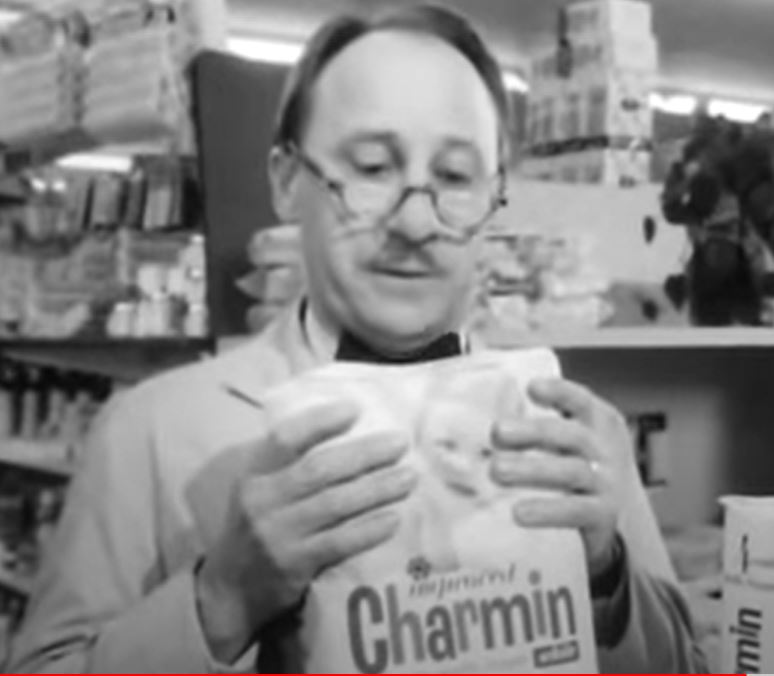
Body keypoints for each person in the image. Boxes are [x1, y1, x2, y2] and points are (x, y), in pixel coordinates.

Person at [9, 4, 707, 673]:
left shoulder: (570, 433)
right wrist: (222, 600)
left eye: (454, 177)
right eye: (373, 168)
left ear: (495, 198)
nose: (415, 223)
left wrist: (605, 578)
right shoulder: (150, 435)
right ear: (288, 181)